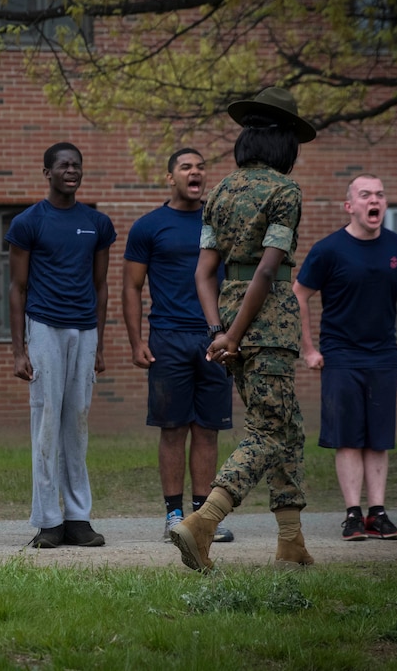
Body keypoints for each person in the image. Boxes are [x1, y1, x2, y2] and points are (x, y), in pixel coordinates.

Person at [171, 86, 317, 572]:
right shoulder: (284, 190)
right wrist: (233, 335)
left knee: (289, 429)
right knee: (269, 429)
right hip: (268, 326)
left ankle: (291, 544)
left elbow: (203, 273)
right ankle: (203, 522)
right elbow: (266, 271)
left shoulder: (220, 192)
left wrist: (220, 329)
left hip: (231, 323)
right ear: (283, 145)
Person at [293, 174, 397, 541]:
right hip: (340, 355)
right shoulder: (329, 250)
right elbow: (299, 294)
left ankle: (378, 513)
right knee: (348, 438)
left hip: (383, 355)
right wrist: (309, 349)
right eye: (365, 194)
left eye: (380, 195)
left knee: (378, 438)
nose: (375, 200)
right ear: (349, 205)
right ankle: (353, 514)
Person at [122, 147, 236, 544]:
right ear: (170, 177)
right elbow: (132, 287)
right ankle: (174, 515)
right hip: (168, 339)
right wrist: (137, 341)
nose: (196, 172)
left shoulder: (220, 222)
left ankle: (205, 517)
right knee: (172, 429)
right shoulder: (149, 226)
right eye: (186, 167)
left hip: (215, 339)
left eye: (201, 167)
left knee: (208, 429)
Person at [7, 142, 117, 549]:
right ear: (47, 173)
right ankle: (48, 521)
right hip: (44, 328)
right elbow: (17, 289)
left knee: (78, 423)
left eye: (77, 165)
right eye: (63, 165)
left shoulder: (97, 223)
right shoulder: (28, 222)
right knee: (48, 421)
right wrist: (19, 350)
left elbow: (101, 286)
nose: (72, 171)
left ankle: (77, 518)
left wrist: (100, 344)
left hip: (84, 331)